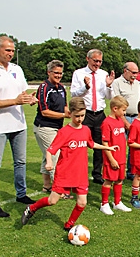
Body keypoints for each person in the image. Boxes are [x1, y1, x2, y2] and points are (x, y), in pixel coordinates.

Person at [21, 98, 119, 229]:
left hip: (81, 174)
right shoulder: (64, 132)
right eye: (76, 116)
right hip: (64, 174)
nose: (79, 119)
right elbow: (50, 150)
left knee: (82, 202)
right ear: (70, 113)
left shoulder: (85, 130)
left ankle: (69, 225)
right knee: (52, 201)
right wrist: (49, 162)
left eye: (82, 116)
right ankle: (31, 208)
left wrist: (108, 148)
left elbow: (91, 144)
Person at [0, 35, 37, 218]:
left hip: (18, 123)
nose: (10, 54)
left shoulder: (16, 69)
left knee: (20, 162)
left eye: (12, 50)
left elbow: (22, 93)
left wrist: (29, 99)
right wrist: (15, 101)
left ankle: (21, 194)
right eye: (7, 50)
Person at [71, 49, 115, 185]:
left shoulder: (103, 74)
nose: (97, 64)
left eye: (100, 61)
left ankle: (97, 173)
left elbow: (109, 97)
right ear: (88, 59)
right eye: (95, 61)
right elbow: (74, 94)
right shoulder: (79, 74)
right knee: (81, 145)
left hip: (100, 114)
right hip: (85, 114)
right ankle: (78, 173)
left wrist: (109, 86)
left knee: (100, 146)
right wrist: (85, 87)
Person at [33, 60, 69, 194]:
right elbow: (44, 111)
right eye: (56, 73)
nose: (59, 76)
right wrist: (63, 115)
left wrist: (69, 112)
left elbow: (64, 106)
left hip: (57, 127)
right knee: (55, 156)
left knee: (46, 157)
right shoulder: (44, 87)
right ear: (49, 72)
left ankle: (47, 186)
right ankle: (60, 189)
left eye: (60, 73)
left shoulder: (61, 88)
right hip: (45, 127)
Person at [100, 96, 132, 215]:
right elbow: (105, 142)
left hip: (121, 157)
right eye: (123, 110)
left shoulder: (120, 121)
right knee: (109, 180)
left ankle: (117, 202)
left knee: (119, 180)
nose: (124, 113)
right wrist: (111, 159)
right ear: (115, 108)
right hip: (112, 158)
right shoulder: (107, 123)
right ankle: (104, 203)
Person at [111, 61, 140, 180]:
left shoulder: (137, 83)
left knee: (134, 146)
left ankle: (131, 171)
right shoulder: (117, 83)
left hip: (135, 116)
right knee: (121, 145)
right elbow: (117, 103)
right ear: (125, 71)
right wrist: (125, 121)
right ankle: (118, 170)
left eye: (137, 73)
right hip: (122, 117)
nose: (135, 75)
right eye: (133, 72)